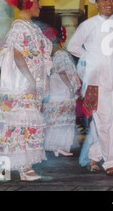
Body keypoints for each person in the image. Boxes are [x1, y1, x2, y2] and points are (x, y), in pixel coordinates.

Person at [0, 0, 53, 182]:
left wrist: (42, 80)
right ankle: (12, 164)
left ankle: (12, 164)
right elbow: (18, 55)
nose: (40, 5)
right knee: (21, 125)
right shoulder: (19, 27)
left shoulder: (33, 28)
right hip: (22, 85)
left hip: (32, 85)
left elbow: (41, 59)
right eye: (37, 1)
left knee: (23, 126)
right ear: (28, 3)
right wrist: (30, 79)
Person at [67, 0, 113, 176]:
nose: (108, 3)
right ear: (96, 4)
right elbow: (72, 46)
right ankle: (111, 162)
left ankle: (94, 155)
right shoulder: (88, 25)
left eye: (111, 0)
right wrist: (89, 57)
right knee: (104, 121)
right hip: (96, 80)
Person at [42, 26, 81, 157]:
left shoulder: (51, 56)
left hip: (55, 90)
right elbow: (62, 71)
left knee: (56, 120)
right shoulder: (61, 54)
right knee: (64, 120)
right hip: (63, 90)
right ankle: (62, 146)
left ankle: (57, 146)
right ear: (61, 41)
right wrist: (70, 87)